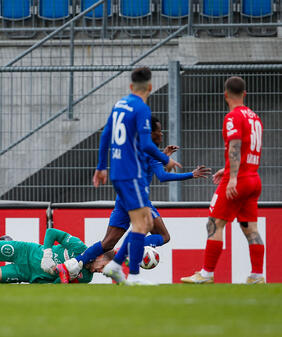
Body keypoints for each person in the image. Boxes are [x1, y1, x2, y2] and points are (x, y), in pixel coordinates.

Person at [55, 67, 180, 285]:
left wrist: (101, 167)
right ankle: (130, 274)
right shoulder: (141, 108)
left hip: (119, 173)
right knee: (143, 224)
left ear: (131, 87)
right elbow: (146, 143)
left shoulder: (120, 105)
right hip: (132, 176)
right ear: (150, 87)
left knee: (110, 241)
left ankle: (71, 266)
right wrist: (165, 159)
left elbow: (105, 135)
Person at [56, 116, 211, 283]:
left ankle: (69, 266)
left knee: (107, 243)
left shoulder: (136, 146)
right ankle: (129, 256)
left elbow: (149, 166)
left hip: (123, 196)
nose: (161, 133)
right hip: (137, 197)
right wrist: (191, 174)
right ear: (150, 133)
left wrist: (162, 156)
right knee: (163, 236)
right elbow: (163, 176)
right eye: (158, 130)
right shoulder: (148, 148)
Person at [181, 76, 265, 284]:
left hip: (238, 179)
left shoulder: (232, 117)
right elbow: (247, 150)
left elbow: (236, 146)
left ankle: (206, 274)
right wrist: (227, 168)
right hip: (253, 178)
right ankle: (257, 275)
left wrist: (233, 177)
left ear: (225, 95)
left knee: (214, 223)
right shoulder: (255, 117)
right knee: (251, 229)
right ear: (244, 94)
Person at [0, 228, 112, 284]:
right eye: (103, 267)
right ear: (100, 256)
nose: (100, 271)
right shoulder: (78, 246)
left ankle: (6, 245)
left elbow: (56, 286)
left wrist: (66, 275)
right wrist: (47, 255)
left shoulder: (86, 278)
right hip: (26, 251)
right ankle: (7, 243)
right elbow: (51, 232)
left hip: (25, 274)